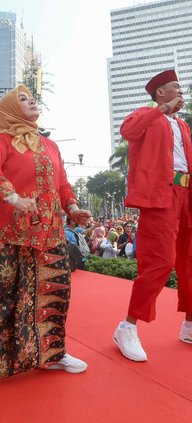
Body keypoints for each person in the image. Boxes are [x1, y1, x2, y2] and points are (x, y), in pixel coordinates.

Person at [0, 85, 91, 404]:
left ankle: (53, 354)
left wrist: (74, 208)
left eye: (31, 97)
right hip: (10, 234)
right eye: (22, 99)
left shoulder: (50, 145)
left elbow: (62, 183)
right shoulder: (4, 141)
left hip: (49, 235)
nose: (31, 101)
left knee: (54, 296)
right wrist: (13, 198)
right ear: (10, 110)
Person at [113, 69, 192, 362]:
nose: (181, 92)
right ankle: (127, 326)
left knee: (188, 258)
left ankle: (189, 325)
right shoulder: (147, 115)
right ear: (161, 93)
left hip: (187, 194)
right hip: (161, 195)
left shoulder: (182, 125)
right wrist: (160, 111)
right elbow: (127, 131)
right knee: (161, 261)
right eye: (176, 87)